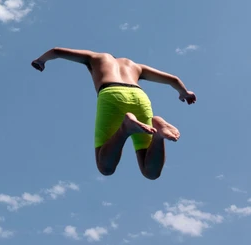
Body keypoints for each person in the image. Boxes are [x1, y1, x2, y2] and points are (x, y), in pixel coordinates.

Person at [31, 48, 196, 180]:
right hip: (140, 97)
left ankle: (126, 128)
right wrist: (184, 93)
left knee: (106, 168)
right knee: (151, 173)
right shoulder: (134, 66)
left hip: (111, 93)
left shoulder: (96, 57)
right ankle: (158, 133)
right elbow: (173, 79)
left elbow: (57, 51)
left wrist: (41, 60)